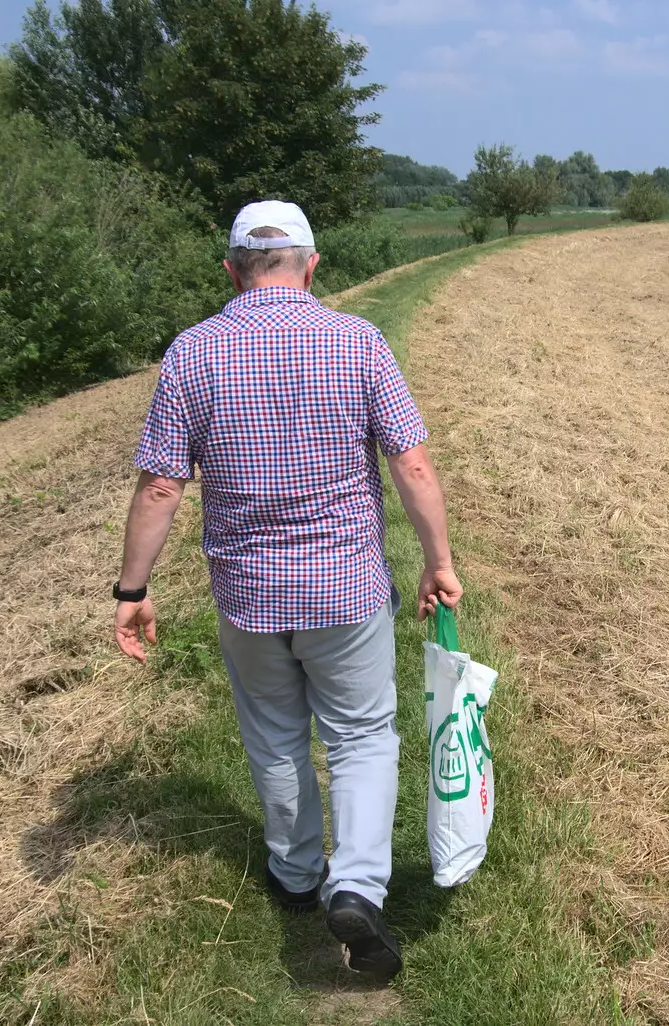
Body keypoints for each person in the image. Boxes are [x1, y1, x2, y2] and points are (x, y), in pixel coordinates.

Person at [109, 200, 462, 982]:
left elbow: (162, 488)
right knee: (363, 736)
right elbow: (412, 465)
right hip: (345, 588)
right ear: (311, 265)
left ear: (231, 270)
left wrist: (131, 589)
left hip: (249, 594)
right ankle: (360, 888)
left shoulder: (192, 353)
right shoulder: (358, 341)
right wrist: (437, 559)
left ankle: (299, 876)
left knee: (275, 735)